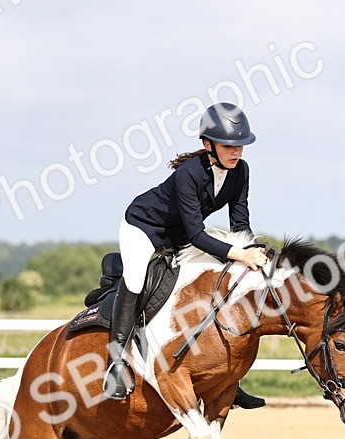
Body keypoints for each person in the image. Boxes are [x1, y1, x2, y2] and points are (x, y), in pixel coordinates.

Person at [104, 102, 268, 408]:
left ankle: (229, 379)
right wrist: (238, 254)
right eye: (228, 146)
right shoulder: (189, 174)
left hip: (180, 233)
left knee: (218, 280)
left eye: (240, 146)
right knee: (137, 279)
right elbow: (197, 235)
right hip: (144, 226)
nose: (236, 152)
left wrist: (251, 249)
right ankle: (117, 363)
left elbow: (240, 222)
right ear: (208, 145)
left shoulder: (240, 171)